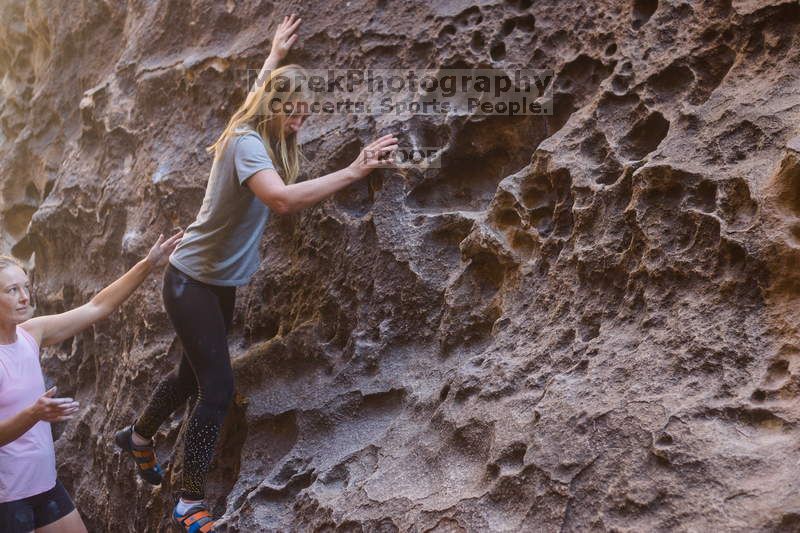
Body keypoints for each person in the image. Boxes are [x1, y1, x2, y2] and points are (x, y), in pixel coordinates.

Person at [114, 13, 398, 532]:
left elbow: (256, 97)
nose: (298, 123)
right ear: (273, 107)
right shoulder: (246, 143)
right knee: (217, 388)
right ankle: (189, 500)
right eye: (292, 114)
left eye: (305, 114)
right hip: (189, 282)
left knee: (188, 375)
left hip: (214, 284)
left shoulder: (255, 127)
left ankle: (138, 435)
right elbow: (282, 200)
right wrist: (357, 169)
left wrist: (273, 52)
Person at [0, 231, 182, 533]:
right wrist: (34, 414)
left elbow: (97, 307)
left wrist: (148, 264)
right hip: (8, 499)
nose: (24, 297)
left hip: (45, 486)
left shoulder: (32, 334)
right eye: (11, 290)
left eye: (26, 287)